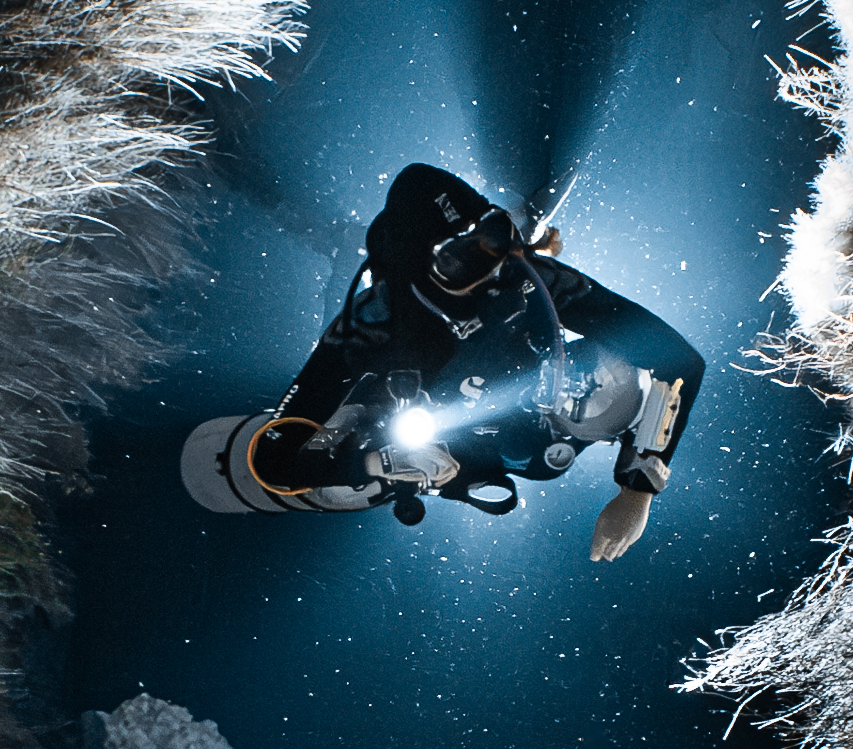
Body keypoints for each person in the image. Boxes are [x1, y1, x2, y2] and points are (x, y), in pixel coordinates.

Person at [182, 164, 704, 558]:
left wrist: (637, 492)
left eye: (495, 236)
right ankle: (376, 462)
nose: (490, 272)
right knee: (365, 477)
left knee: (612, 387)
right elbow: (275, 455)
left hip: (523, 402)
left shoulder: (525, 277)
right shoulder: (373, 323)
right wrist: (372, 462)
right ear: (418, 265)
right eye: (460, 258)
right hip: (427, 429)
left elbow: (677, 358)